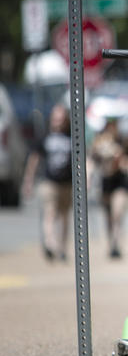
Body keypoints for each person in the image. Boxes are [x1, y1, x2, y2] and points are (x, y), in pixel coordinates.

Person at [22, 104, 72, 261]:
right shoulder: (45, 136)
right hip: (49, 182)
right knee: (49, 213)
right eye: (56, 118)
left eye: (61, 119)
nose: (57, 122)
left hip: (67, 183)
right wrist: (28, 180)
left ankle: (63, 247)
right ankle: (50, 243)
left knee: (64, 215)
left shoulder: (71, 137)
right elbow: (34, 158)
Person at [90, 117, 128, 258]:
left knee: (117, 214)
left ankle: (117, 243)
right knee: (108, 217)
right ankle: (112, 244)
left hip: (121, 183)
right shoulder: (99, 142)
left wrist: (118, 157)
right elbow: (92, 162)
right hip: (106, 183)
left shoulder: (123, 142)